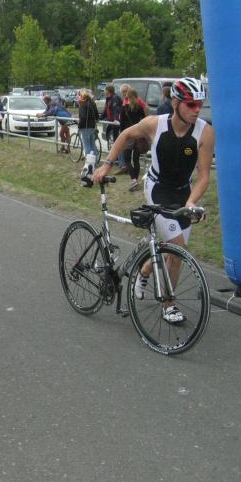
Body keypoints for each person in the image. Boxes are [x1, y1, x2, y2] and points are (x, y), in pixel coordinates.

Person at [92, 77, 215, 324]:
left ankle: (145, 270)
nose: (197, 110)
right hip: (157, 188)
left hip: (183, 193)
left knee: (172, 249)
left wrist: (191, 202)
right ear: (176, 103)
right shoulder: (155, 124)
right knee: (178, 249)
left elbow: (203, 176)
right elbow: (125, 135)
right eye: (191, 104)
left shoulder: (205, 132)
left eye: (200, 104)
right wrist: (106, 164)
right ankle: (169, 305)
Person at [121, 88, 148, 192]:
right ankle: (135, 180)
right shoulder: (140, 107)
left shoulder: (124, 108)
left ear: (127, 97)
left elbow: (122, 123)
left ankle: (133, 180)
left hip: (128, 135)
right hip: (137, 134)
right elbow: (144, 121)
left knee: (127, 159)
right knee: (136, 160)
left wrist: (122, 135)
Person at [102, 84, 124, 170]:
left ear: (108, 90)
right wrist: (99, 118)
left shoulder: (115, 98)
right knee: (114, 141)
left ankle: (122, 164)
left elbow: (116, 110)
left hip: (116, 123)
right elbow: (106, 110)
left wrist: (116, 119)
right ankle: (117, 159)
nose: (104, 91)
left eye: (105, 90)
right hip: (111, 123)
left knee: (118, 142)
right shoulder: (108, 99)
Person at [76, 88, 99, 159]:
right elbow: (96, 115)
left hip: (85, 127)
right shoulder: (91, 103)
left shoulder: (83, 104)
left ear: (81, 96)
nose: (78, 97)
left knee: (87, 145)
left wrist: (79, 125)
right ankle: (94, 160)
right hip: (92, 126)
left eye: (79, 95)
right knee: (92, 144)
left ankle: (89, 162)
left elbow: (83, 117)